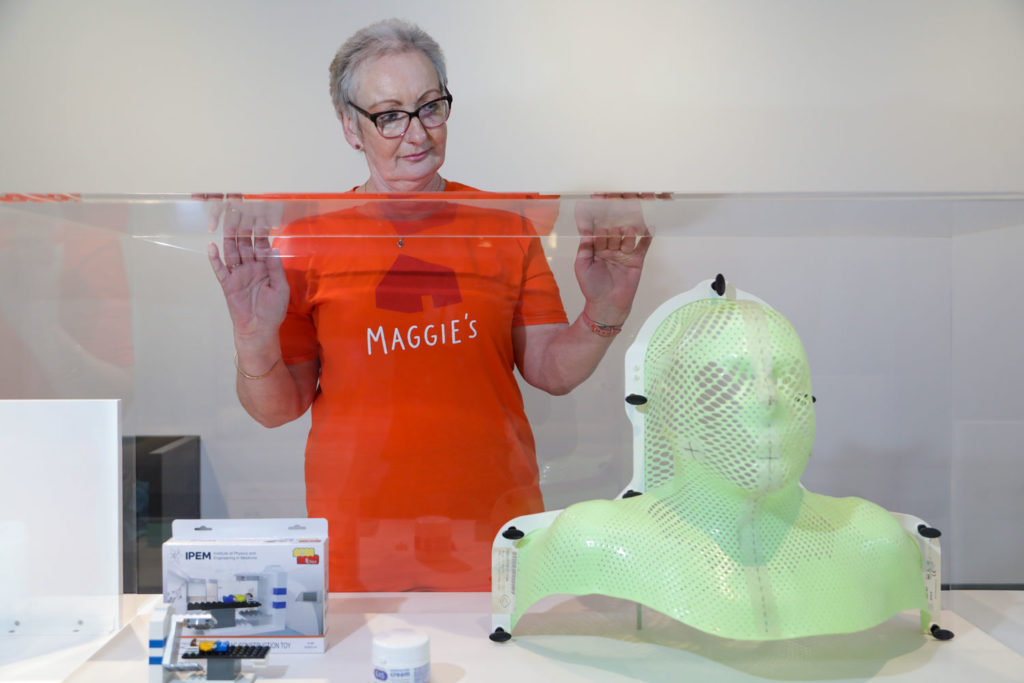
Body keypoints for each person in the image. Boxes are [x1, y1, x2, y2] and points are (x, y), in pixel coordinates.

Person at [208, 18, 650, 591]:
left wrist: (605, 308)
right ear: (350, 126)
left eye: (430, 107)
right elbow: (275, 408)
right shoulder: (311, 236)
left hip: (493, 531)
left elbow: (549, 369)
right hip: (358, 545)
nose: (416, 134)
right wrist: (251, 336)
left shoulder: (504, 223)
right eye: (389, 115)